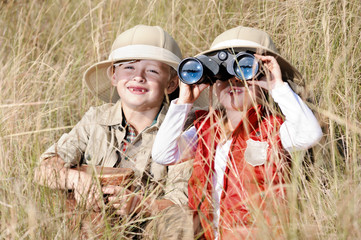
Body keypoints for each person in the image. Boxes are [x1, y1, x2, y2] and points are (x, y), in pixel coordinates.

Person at [152, 26, 323, 239]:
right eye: (223, 75)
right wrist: (185, 101)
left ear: (263, 80)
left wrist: (276, 85)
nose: (234, 81)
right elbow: (163, 154)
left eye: (244, 71)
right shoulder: (204, 129)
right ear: (212, 83)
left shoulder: (275, 129)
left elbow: (310, 134)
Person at [34, 25, 193, 237]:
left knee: (181, 223)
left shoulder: (183, 129)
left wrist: (141, 204)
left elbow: (179, 201)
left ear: (172, 83)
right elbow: (44, 170)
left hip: (148, 228)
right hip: (91, 224)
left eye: (152, 71)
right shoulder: (95, 119)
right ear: (114, 76)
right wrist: (78, 180)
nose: (138, 77)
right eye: (128, 68)